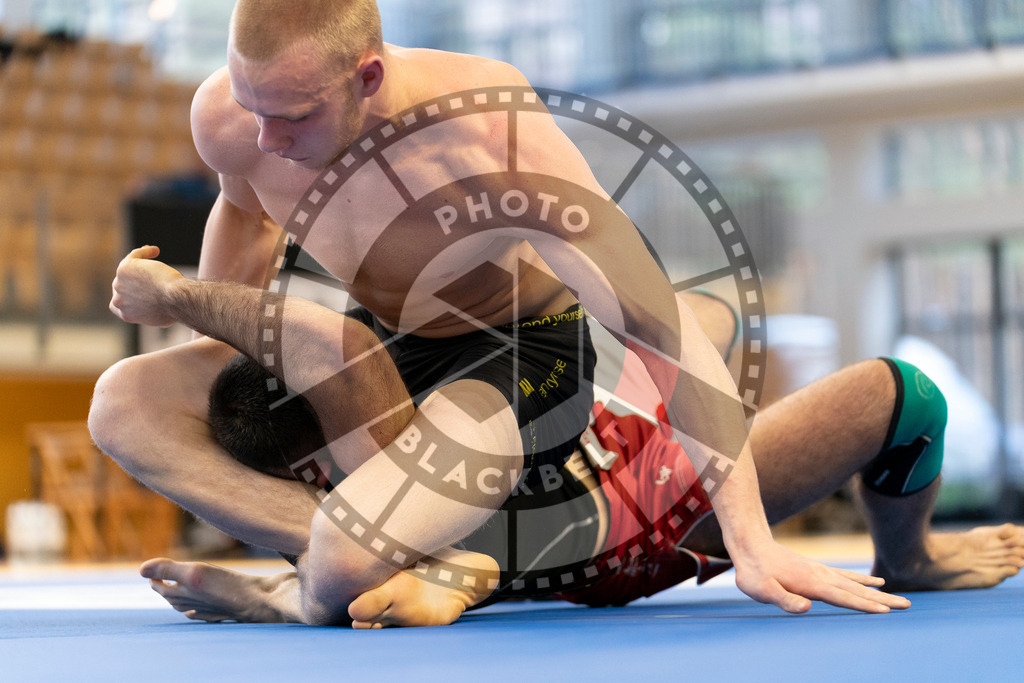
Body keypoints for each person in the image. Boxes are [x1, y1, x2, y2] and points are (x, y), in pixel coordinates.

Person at [88, 0, 1019, 626]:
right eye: (250, 105)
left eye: (291, 116)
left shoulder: (492, 136)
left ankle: (366, 564)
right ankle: (363, 549)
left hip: (518, 356)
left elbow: (661, 325)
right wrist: (218, 360)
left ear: (368, 78)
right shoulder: (236, 118)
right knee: (124, 399)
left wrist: (753, 545)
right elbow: (244, 211)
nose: (264, 137)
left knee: (348, 558)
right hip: (396, 357)